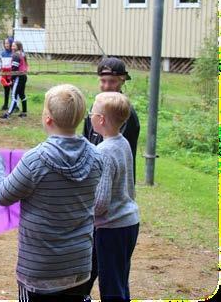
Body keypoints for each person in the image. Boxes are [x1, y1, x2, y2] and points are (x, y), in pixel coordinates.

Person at [0, 84, 103, 302]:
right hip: (78, 265)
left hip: (39, 269)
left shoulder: (34, 160)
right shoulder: (97, 157)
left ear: (48, 119)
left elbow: (1, 194)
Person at [82, 92, 140, 301]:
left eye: (92, 112)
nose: (89, 116)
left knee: (111, 286)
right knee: (118, 280)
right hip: (129, 223)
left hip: (111, 228)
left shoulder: (104, 151)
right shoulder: (122, 142)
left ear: (101, 120)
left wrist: (83, 213)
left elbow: (101, 202)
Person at [83, 57, 140, 184]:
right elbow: (86, 141)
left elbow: (117, 154)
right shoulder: (95, 107)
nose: (107, 86)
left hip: (114, 182)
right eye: (103, 81)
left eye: (112, 81)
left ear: (123, 81)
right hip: (93, 179)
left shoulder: (126, 113)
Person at [2, 40, 28, 119]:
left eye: (14, 46)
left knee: (14, 95)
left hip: (18, 77)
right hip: (23, 76)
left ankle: (8, 114)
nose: (12, 47)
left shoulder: (16, 55)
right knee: (22, 94)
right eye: (12, 46)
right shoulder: (22, 54)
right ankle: (24, 112)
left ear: (18, 47)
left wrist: (11, 79)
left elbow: (14, 68)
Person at [0, 37, 16, 111]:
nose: (6, 45)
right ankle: (5, 105)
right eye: (5, 43)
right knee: (6, 90)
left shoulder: (14, 53)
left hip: (11, 74)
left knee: (14, 90)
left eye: (8, 43)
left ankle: (15, 106)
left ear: (11, 44)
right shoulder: (2, 53)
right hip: (4, 74)